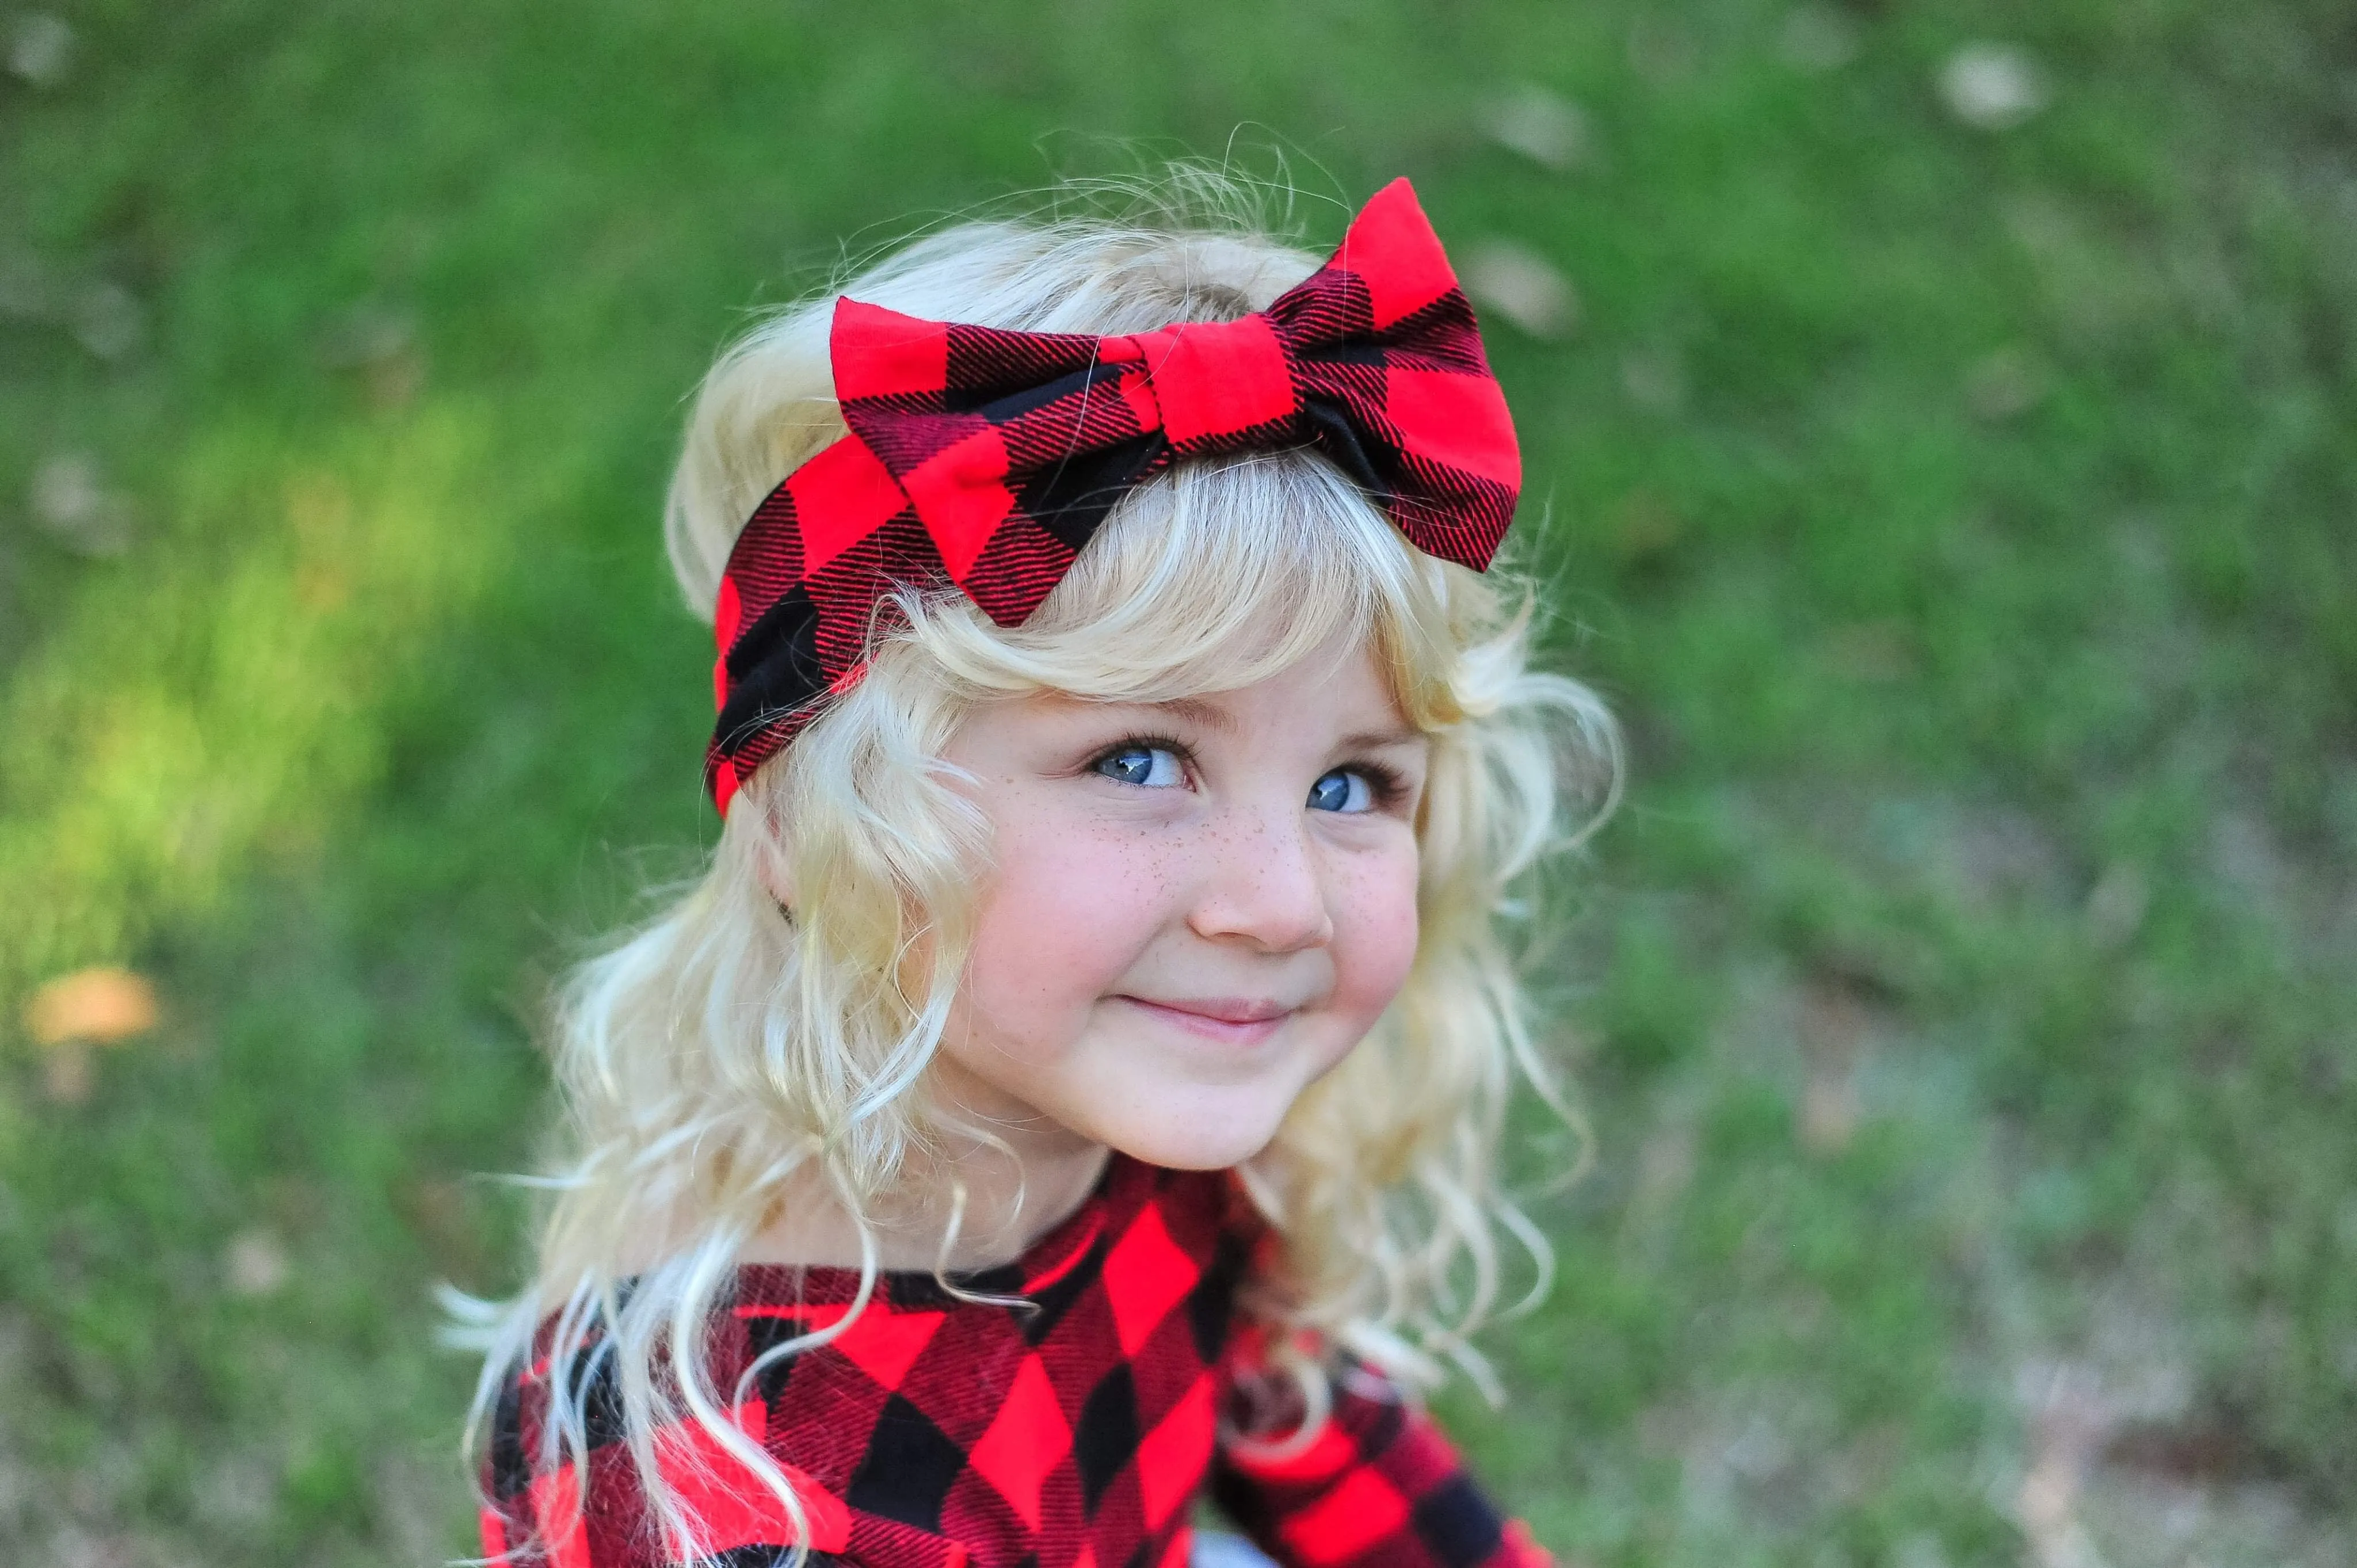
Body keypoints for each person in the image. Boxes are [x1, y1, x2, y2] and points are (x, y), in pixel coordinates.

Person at [464, 173, 1617, 1568]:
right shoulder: (732, 1491)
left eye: (1347, 786)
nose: (1280, 903)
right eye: (1137, 762)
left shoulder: (1143, 1115)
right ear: (800, 817)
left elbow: (1314, 1427)